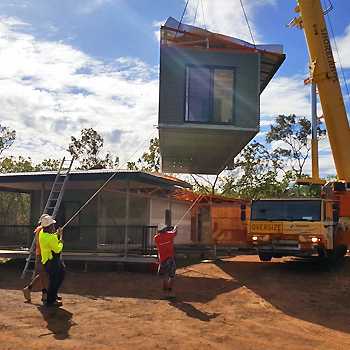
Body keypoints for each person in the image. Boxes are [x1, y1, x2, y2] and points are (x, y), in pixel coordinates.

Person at [39, 215, 65, 307]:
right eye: (52, 225)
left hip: (47, 262)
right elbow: (57, 249)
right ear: (49, 226)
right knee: (54, 280)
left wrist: (57, 234)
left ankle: (52, 295)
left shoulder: (42, 233)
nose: (53, 227)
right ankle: (51, 299)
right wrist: (61, 243)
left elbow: (51, 237)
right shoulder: (51, 238)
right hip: (52, 262)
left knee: (60, 274)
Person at [23, 214, 49, 303]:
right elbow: (47, 239)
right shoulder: (41, 230)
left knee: (43, 275)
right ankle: (29, 288)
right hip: (42, 254)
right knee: (43, 274)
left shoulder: (42, 229)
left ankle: (44, 294)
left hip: (43, 254)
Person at [154, 223, 177, 299]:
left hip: (162, 259)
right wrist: (175, 228)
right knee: (172, 275)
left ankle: (165, 292)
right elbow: (175, 233)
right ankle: (169, 291)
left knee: (163, 276)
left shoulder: (156, 238)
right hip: (170, 258)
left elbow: (171, 234)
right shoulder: (170, 235)